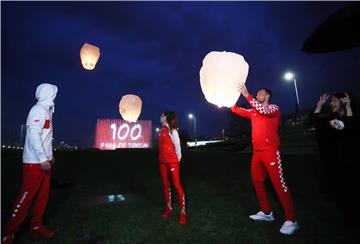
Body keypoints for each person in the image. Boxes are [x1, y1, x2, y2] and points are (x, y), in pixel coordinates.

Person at [231, 82, 298, 235]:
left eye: (260, 93)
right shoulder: (254, 111)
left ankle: (291, 219)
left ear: (267, 96)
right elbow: (236, 110)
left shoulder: (274, 108)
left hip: (270, 152)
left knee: (278, 184)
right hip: (257, 152)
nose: (257, 94)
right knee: (257, 181)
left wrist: (247, 94)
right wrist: (226, 101)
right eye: (257, 93)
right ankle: (267, 213)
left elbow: (262, 109)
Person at [2, 83, 58, 244]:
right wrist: (41, 158)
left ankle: (36, 225)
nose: (55, 95)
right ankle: (9, 233)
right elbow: (34, 135)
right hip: (34, 163)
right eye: (53, 93)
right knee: (26, 197)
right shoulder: (37, 110)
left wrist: (49, 156)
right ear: (48, 94)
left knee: (42, 196)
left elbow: (46, 137)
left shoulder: (47, 111)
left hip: (44, 162)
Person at [310, 92, 359, 227]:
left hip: (354, 164)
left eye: (335, 101)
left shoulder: (354, 116)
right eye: (331, 102)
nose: (331, 104)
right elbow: (314, 122)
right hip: (340, 165)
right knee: (345, 197)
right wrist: (319, 106)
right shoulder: (331, 120)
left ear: (345, 102)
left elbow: (351, 127)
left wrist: (348, 108)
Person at [158, 111, 186, 225]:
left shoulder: (172, 131)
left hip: (173, 162)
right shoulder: (161, 131)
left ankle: (183, 212)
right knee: (165, 185)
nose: (160, 117)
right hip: (162, 162)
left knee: (177, 185)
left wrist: (177, 159)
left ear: (165, 117)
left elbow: (178, 147)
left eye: (161, 115)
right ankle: (169, 207)